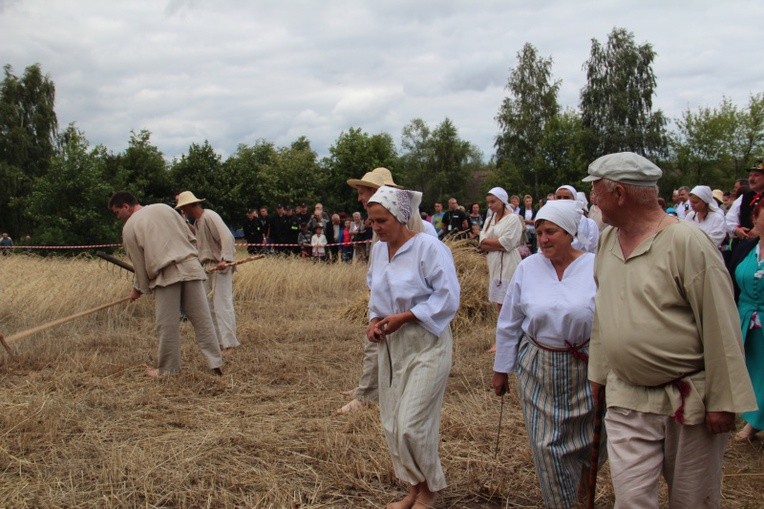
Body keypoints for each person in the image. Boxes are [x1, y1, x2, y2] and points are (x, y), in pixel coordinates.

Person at [584, 152, 756, 507]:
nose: (592, 199)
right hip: (626, 397)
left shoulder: (687, 242)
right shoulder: (607, 241)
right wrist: (598, 374)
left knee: (692, 501)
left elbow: (720, 323)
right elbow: (605, 311)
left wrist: (723, 402)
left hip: (687, 401)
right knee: (631, 501)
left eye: (596, 190)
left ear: (619, 194)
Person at [493, 200, 599, 508]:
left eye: (550, 232)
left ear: (569, 232)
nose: (543, 239)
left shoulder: (595, 265)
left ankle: (582, 490)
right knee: (546, 443)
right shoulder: (528, 267)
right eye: (539, 232)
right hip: (538, 366)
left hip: (587, 367)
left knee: (590, 441)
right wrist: (502, 370)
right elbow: (509, 322)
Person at [365, 186, 459, 509]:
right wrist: (374, 320)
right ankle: (415, 489)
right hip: (392, 346)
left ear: (401, 217)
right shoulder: (378, 251)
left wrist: (406, 316)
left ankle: (430, 490)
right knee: (392, 424)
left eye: (382, 220)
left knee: (412, 422)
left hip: (426, 342)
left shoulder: (429, 248)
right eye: (371, 220)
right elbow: (374, 291)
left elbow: (448, 297)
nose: (376, 227)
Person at [339, 167, 435, 415]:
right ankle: (373, 386)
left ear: (375, 191)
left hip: (399, 290)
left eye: (362, 192)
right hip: (389, 286)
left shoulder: (398, 213)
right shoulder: (384, 213)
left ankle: (367, 395)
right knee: (380, 338)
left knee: (377, 338)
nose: (359, 198)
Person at [108, 191, 224, 377]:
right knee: (203, 319)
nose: (117, 217)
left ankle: (168, 370)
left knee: (167, 324)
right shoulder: (165, 208)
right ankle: (215, 361)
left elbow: (139, 264)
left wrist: (139, 289)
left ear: (126, 206)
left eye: (116, 212)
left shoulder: (130, 227)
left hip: (166, 275)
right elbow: (191, 236)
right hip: (192, 268)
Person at [176, 191, 240, 352]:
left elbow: (227, 237)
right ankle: (219, 342)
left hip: (220, 265)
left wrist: (225, 259)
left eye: (184, 208)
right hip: (207, 267)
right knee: (210, 306)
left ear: (191, 205)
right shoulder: (198, 222)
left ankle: (230, 343)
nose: (183, 211)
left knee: (222, 304)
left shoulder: (210, 216)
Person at [728, 200, 764, 441]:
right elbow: (730, 277)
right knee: (751, 368)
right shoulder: (746, 247)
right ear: (755, 218)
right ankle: (753, 418)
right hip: (744, 316)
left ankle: (753, 424)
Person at [479, 187, 525, 353]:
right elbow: (481, 240)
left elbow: (507, 243)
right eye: (488, 202)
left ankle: (506, 341)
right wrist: (490, 242)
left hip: (508, 264)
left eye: (493, 202)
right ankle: (504, 340)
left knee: (506, 305)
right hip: (494, 263)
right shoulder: (490, 218)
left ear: (502, 201)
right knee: (499, 306)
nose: (490, 205)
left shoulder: (513, 219)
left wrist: (488, 242)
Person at [685, 185, 727, 249]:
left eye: (695, 202)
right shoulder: (690, 216)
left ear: (705, 202)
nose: (692, 205)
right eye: (691, 202)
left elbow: (714, 241)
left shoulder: (717, 218)